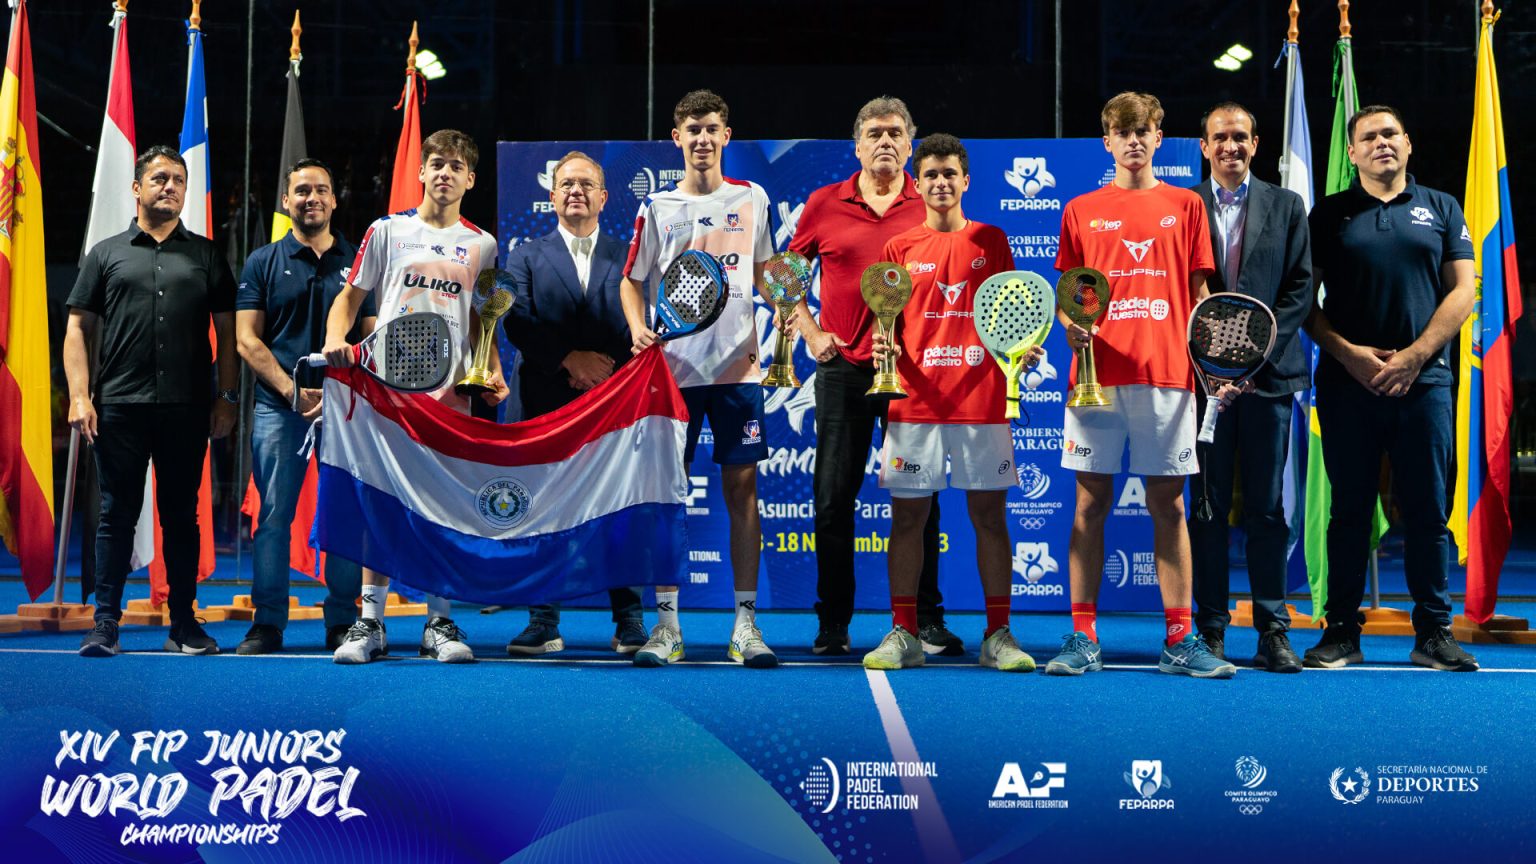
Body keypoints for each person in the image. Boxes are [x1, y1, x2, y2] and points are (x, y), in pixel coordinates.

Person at [1048, 92, 1236, 678]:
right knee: (1088, 505)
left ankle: (1180, 639)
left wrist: (1213, 363)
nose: (1133, 140)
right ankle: (1083, 637)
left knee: (1169, 505)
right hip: (1096, 379)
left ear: (1158, 138)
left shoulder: (1186, 205)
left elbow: (1201, 297)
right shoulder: (1080, 209)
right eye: (1122, 132)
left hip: (1168, 376)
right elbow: (1069, 296)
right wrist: (1070, 329)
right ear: (1106, 142)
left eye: (1143, 131)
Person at [1303, 105, 1478, 672]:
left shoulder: (1442, 207)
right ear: (1352, 153)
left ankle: (1433, 634)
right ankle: (1340, 633)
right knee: (1349, 513)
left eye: (1390, 134)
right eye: (1369, 137)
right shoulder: (1328, 214)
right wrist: (1348, 354)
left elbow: (1463, 291)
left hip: (1424, 384)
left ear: (1408, 143)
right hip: (1347, 385)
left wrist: (1416, 356)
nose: (1381, 143)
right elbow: (1304, 302)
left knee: (1428, 511)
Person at [321, 129, 506, 664]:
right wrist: (335, 339)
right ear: (421, 172)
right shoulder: (386, 231)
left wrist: (493, 371)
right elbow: (349, 298)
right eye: (437, 164)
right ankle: (371, 623)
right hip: (387, 393)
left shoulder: (483, 244)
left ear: (470, 180)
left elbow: (484, 320)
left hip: (450, 399)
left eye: (456, 166)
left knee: (441, 506)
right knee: (381, 503)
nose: (445, 173)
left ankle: (438, 621)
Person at [787, 96, 960, 657]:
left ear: (910, 144)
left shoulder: (927, 201)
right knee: (832, 499)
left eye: (895, 133)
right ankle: (833, 621)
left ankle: (926, 620)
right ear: (856, 146)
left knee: (919, 498)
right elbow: (785, 279)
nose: (885, 142)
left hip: (911, 373)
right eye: (874, 134)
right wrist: (812, 334)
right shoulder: (823, 203)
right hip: (843, 371)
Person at [859, 134, 1039, 672]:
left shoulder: (991, 240)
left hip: (982, 400)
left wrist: (1022, 350)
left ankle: (998, 635)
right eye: (931, 175)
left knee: (990, 518)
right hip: (915, 402)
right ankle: (904, 632)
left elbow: (1013, 313)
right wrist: (884, 347)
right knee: (907, 519)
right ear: (917, 184)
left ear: (966, 181)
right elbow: (886, 323)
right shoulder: (899, 248)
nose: (941, 183)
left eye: (949, 174)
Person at [620, 89, 777, 668]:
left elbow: (767, 272)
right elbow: (631, 279)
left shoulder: (752, 197)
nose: (703, 138)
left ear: (726, 136)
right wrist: (637, 327)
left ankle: (745, 625)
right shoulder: (657, 206)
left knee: (743, 492)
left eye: (712, 128)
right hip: (672, 375)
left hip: (738, 371)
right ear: (677, 139)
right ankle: (667, 627)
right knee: (667, 498)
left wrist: (793, 315)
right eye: (693, 129)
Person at [66, 145, 238, 658]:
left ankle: (183, 623)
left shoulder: (207, 255)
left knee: (181, 517)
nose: (170, 187)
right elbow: (77, 328)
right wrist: (79, 396)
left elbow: (229, 334)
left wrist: (227, 398)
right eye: (160, 178)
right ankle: (105, 623)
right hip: (119, 405)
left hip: (188, 407)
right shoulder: (105, 254)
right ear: (137, 188)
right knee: (116, 515)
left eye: (178, 180)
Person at [502, 150, 647, 655]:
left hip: (611, 401)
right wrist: (569, 359)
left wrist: (601, 369)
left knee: (618, 509)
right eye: (566, 184)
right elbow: (516, 320)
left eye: (586, 184)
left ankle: (629, 620)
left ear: (604, 197)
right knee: (541, 511)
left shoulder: (628, 255)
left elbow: (637, 323)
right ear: (552, 196)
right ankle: (542, 620)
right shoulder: (523, 256)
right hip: (543, 401)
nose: (576, 191)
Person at [1188, 102, 1313, 673]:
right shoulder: (1184, 207)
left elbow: (1300, 289)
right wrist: (1214, 366)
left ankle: (1273, 631)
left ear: (1256, 144)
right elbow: (1179, 289)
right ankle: (1210, 631)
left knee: (1267, 509)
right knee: (1207, 508)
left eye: (1240, 136)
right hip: (1202, 385)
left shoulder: (1287, 206)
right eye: (1220, 137)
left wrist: (1250, 358)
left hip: (1268, 381)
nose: (1230, 146)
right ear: (1204, 146)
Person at [233, 158, 373, 655]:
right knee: (273, 516)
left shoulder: (360, 262)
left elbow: (371, 337)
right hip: (279, 409)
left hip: (346, 411)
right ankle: (268, 623)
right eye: (301, 191)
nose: (311, 198)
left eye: (320, 190)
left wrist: (338, 392)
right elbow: (246, 340)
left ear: (334, 200)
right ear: (286, 201)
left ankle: (343, 622)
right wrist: (293, 393)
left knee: (344, 516)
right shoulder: (262, 262)